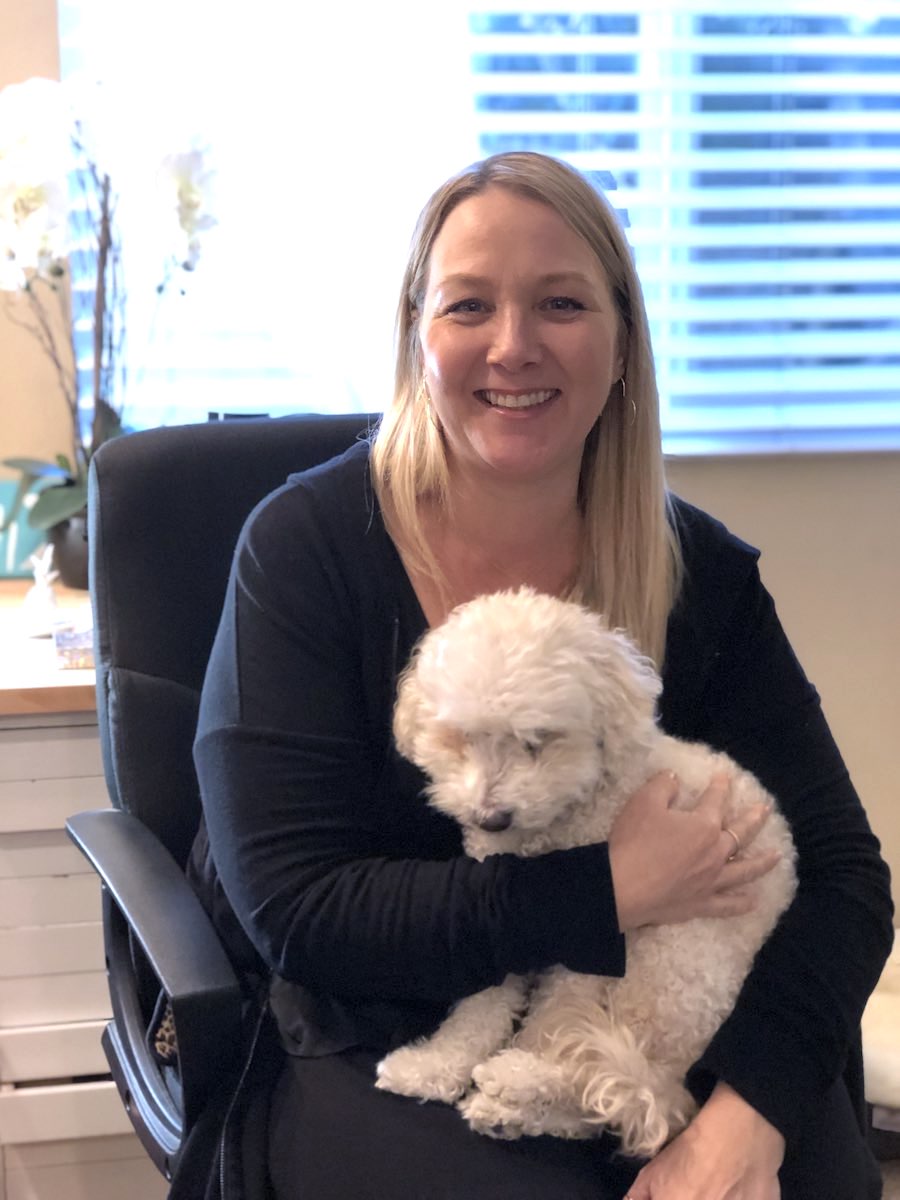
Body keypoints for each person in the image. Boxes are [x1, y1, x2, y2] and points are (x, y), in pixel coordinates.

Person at [186, 151, 894, 1199]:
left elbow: (846, 880)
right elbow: (295, 906)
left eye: (561, 302)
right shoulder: (305, 550)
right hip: (387, 1027)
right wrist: (609, 887)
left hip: (666, 1018)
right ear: (418, 338)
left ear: (620, 348)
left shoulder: (701, 577)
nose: (513, 346)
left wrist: (752, 1114)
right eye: (469, 305)